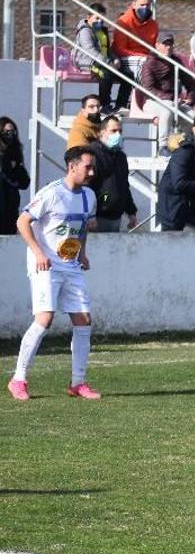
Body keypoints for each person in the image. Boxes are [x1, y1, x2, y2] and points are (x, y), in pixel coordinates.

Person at [8, 146, 101, 401]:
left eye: (93, 167)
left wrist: (82, 253)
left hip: (70, 264)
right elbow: (22, 221)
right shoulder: (51, 192)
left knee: (83, 320)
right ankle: (18, 379)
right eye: (87, 167)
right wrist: (39, 253)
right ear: (72, 167)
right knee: (45, 319)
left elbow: (82, 227)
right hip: (46, 264)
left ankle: (78, 383)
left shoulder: (89, 196)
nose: (92, 171)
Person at [88, 116, 137, 232]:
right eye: (113, 131)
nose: (118, 134)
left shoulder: (120, 157)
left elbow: (124, 185)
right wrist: (90, 214)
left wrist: (131, 211)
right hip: (97, 216)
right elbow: (87, 186)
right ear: (102, 132)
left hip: (115, 217)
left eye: (120, 131)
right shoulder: (92, 154)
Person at [73, 5, 120, 115]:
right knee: (106, 73)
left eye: (102, 19)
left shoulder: (102, 31)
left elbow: (107, 49)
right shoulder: (85, 31)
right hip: (86, 61)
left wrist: (115, 59)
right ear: (88, 17)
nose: (100, 21)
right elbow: (90, 50)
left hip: (102, 61)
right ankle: (105, 105)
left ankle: (121, 105)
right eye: (97, 18)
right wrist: (108, 62)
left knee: (126, 73)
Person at [111, 0, 158, 90]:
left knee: (170, 63)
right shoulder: (123, 22)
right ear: (134, 4)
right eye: (142, 5)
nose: (145, 8)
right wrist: (145, 57)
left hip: (147, 59)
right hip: (124, 59)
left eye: (148, 5)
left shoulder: (154, 24)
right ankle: (143, 97)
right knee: (144, 63)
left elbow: (154, 47)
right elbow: (120, 50)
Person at [1, 116, 31, 235]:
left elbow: (24, 182)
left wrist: (12, 167)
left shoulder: (14, 153)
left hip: (10, 203)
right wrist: (8, 165)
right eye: (7, 131)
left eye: (13, 132)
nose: (10, 135)